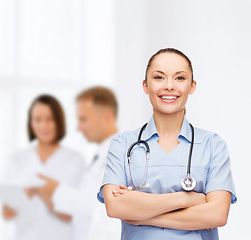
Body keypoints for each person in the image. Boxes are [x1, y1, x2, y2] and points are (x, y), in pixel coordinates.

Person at [98, 48, 237, 240]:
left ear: (192, 86)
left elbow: (217, 215)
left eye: (180, 78)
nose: (169, 86)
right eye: (159, 77)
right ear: (145, 86)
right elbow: (115, 207)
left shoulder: (213, 145)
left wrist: (143, 215)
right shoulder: (123, 144)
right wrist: (187, 198)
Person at [36, 87, 121, 240]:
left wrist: (57, 191)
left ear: (107, 117)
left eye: (83, 119)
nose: (78, 127)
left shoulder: (119, 156)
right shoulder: (98, 156)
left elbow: (105, 211)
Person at [2, 94, 85, 240]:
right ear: (31, 123)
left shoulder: (75, 160)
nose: (43, 126)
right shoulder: (16, 159)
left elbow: (69, 214)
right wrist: (21, 199)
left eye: (50, 119)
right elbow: (7, 214)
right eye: (38, 119)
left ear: (58, 122)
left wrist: (39, 191)